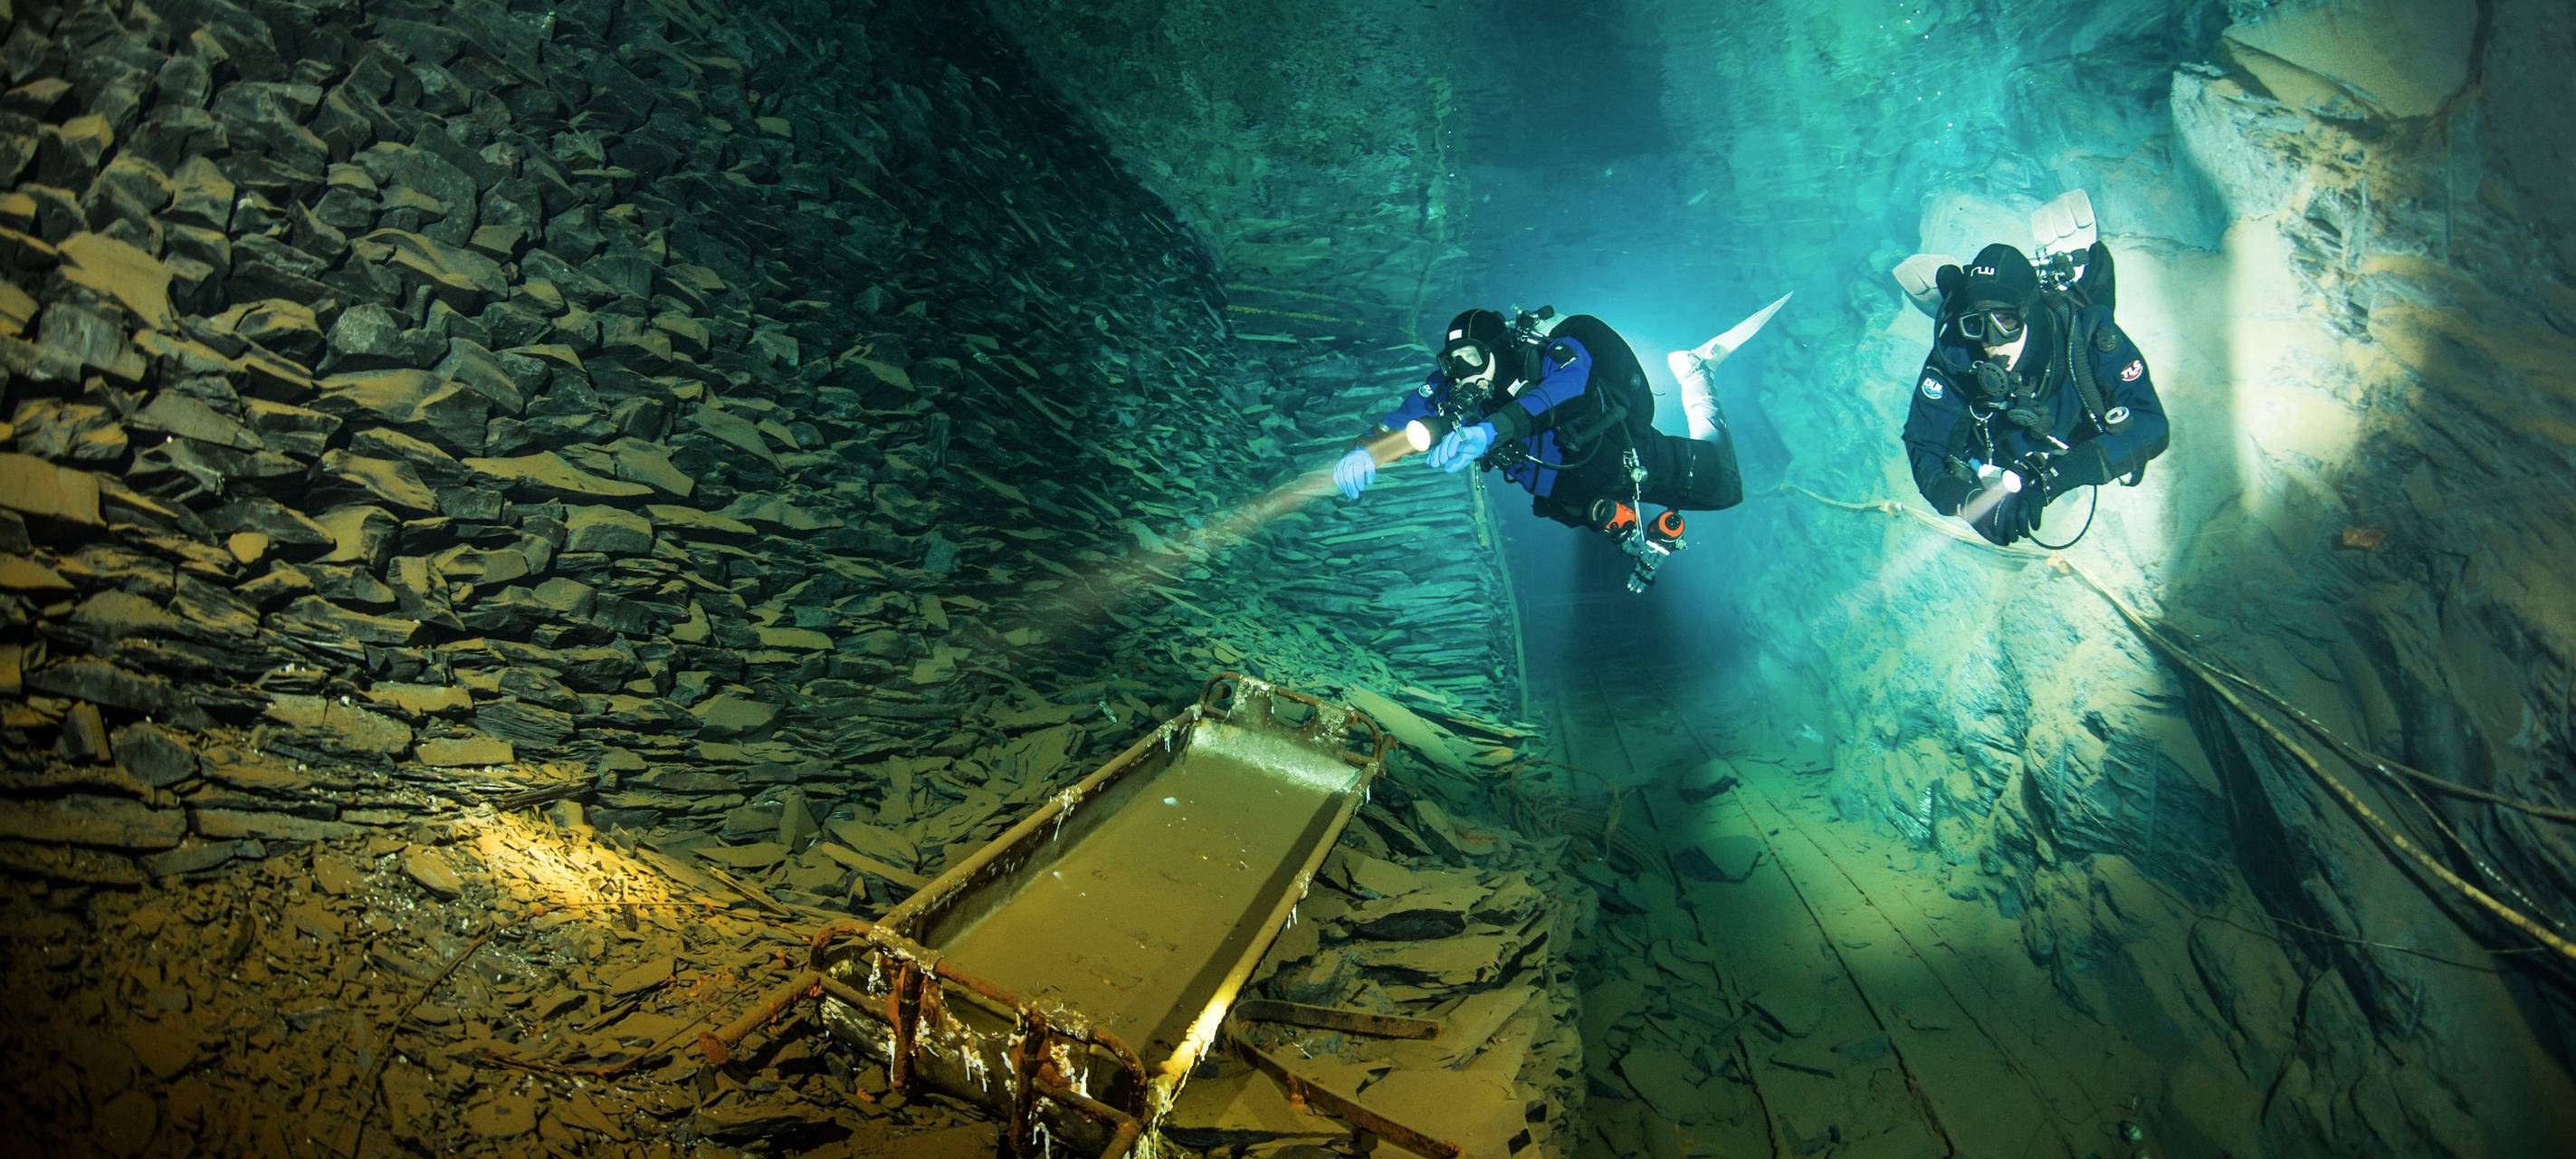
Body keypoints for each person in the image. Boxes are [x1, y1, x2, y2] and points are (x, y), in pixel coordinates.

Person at [1331, 301, 1785, 587]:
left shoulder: (1550, 357)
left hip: (1627, 458)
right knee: (1607, 521)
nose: (1463, 373)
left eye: (1473, 358)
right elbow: (1409, 411)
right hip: (1574, 496)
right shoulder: (1459, 384)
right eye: (1452, 363)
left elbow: (1569, 387)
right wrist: (1365, 450)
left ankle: (1695, 370)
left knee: (1726, 486)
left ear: (1498, 350)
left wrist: (1493, 429)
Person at [1901, 241, 2169, 546]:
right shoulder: (1958, 352)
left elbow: (2152, 425)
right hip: (2004, 452)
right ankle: (1957, 293)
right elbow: (1923, 443)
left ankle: (2089, 278)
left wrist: (2054, 480)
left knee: (2097, 303)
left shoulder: (2088, 336)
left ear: (2032, 310)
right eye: (1978, 324)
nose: (1993, 342)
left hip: (2079, 430)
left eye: (2007, 321)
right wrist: (1972, 505)